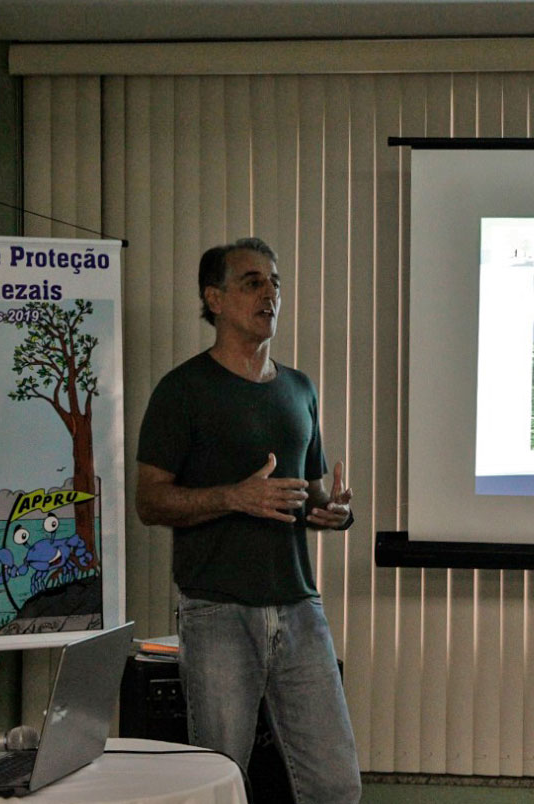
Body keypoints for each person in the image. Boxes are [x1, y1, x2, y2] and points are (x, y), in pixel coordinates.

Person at [135, 237, 362, 803]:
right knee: (219, 783)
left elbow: (305, 494)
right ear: (214, 299)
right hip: (217, 610)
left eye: (275, 282)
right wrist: (234, 497)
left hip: (298, 605)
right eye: (252, 282)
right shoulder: (182, 390)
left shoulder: (299, 388)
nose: (270, 294)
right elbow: (151, 502)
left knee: (335, 785)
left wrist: (330, 511)